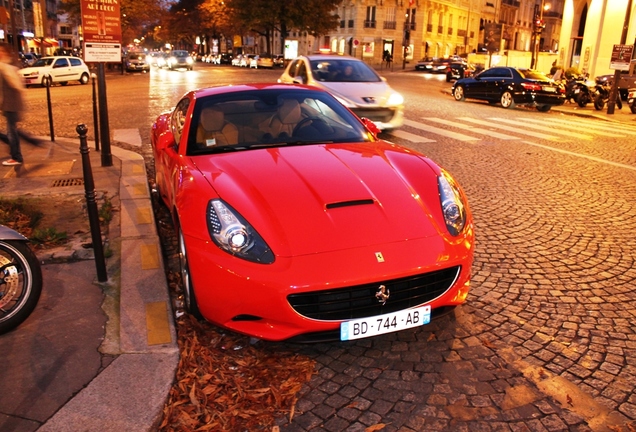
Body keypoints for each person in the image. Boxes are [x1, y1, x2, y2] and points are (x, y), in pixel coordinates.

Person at [0, 43, 26, 166]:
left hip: (12, 104)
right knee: (12, 131)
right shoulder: (5, 66)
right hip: (8, 104)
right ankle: (16, 152)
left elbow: (17, 85)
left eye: (2, 51)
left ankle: (16, 157)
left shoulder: (7, 66)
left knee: (12, 131)